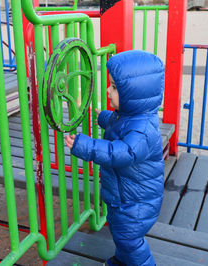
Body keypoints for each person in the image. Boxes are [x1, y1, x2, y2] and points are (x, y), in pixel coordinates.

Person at [65, 50, 164, 266]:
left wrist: (85, 145)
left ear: (135, 92)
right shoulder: (129, 115)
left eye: (115, 87)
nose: (109, 90)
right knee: (121, 235)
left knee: (130, 240)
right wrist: (102, 116)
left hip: (137, 201)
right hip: (123, 196)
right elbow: (117, 123)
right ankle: (122, 261)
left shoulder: (144, 131)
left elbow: (121, 152)